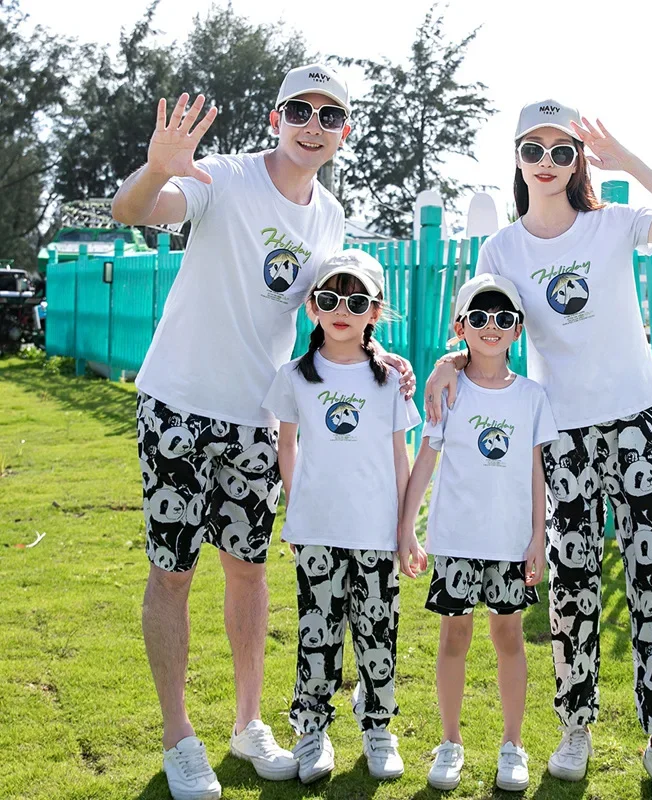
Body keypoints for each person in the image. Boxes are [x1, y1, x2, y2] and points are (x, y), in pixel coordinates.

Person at [111, 63, 414, 800]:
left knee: (248, 570)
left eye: (331, 115)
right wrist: (156, 170)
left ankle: (248, 727)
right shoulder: (222, 178)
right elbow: (134, 212)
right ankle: (179, 736)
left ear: (345, 132)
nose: (315, 125)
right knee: (173, 573)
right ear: (276, 118)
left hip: (257, 417)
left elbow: (326, 314)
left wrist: (378, 355)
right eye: (300, 110)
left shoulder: (332, 216)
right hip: (179, 405)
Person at [423, 100, 652, 800]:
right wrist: (449, 363)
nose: (547, 163)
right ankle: (575, 727)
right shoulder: (503, 250)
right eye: (533, 150)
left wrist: (629, 161)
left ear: (577, 160)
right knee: (573, 583)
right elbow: (483, 330)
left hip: (637, 418)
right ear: (517, 160)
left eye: (561, 151)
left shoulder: (612, 224)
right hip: (564, 431)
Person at [263, 250, 421, 784]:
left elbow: (401, 457)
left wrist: (406, 529)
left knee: (378, 631)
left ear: (373, 311)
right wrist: (296, 507)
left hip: (376, 530)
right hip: (317, 530)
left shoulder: (391, 379)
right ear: (312, 306)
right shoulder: (295, 376)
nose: (342, 311)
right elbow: (287, 448)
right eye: (330, 298)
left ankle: (377, 724)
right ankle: (311, 728)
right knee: (317, 631)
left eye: (356, 301)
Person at [401, 274, 558, 792]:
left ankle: (513, 745)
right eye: (480, 317)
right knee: (455, 636)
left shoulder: (533, 398)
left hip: (511, 543)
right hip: (455, 541)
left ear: (518, 331)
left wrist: (539, 537)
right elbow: (427, 457)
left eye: (504, 319)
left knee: (509, 635)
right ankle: (450, 743)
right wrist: (408, 526)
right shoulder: (449, 391)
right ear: (461, 327)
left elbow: (537, 472)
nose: (492, 326)